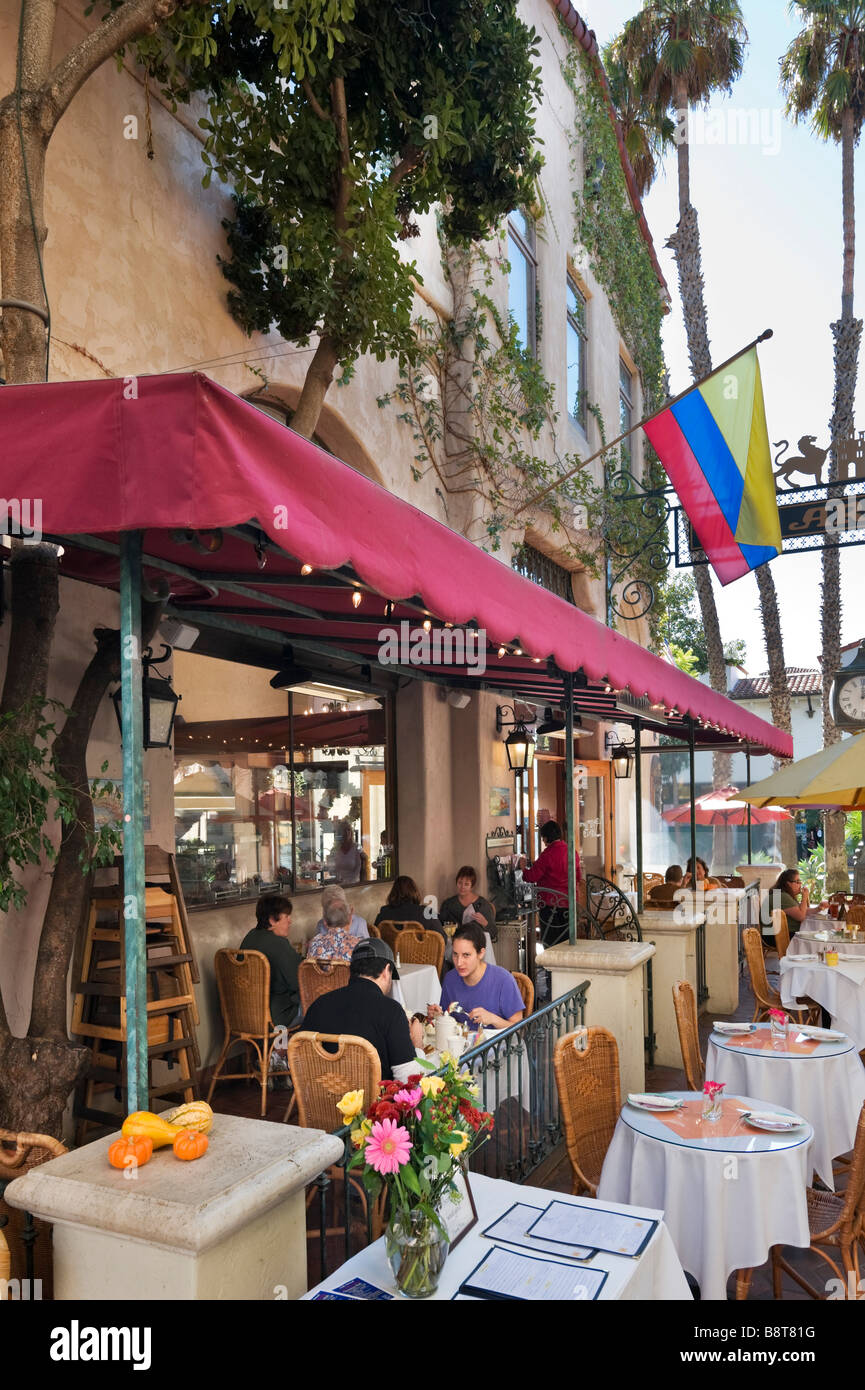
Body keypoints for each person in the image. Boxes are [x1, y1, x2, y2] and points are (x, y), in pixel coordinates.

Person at [302, 938, 418, 1082]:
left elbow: (299, 1061)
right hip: (375, 1103)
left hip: (321, 1099)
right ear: (386, 971)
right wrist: (417, 1044)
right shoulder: (391, 1011)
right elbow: (409, 1080)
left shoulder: (318, 1005)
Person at [435, 922, 524, 1029]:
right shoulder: (450, 979)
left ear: (481, 953)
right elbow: (447, 1019)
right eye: (455, 954)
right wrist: (437, 1016)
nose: (459, 963)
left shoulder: (503, 981)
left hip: (499, 1045)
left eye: (466, 955)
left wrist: (493, 1019)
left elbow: (519, 1029)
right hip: (462, 1044)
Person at [239, 894, 301, 1027]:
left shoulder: (250, 937)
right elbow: (298, 982)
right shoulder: (279, 944)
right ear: (272, 920)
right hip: (277, 1017)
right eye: (286, 916)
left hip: (245, 1016)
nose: (290, 921)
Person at [518, 820, 581, 946]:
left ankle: (551, 965)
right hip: (569, 902)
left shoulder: (547, 855)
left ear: (546, 838)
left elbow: (531, 877)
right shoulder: (571, 851)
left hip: (550, 904)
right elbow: (578, 876)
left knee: (551, 941)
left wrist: (523, 867)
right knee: (566, 941)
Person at [374, 875, 445, 941]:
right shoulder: (426, 912)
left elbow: (374, 936)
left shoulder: (384, 912)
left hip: (391, 954)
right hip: (422, 954)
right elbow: (442, 938)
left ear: (393, 892)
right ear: (414, 891)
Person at [439, 866, 497, 938]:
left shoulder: (483, 905)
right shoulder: (448, 904)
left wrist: (485, 923)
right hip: (454, 945)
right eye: (460, 883)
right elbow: (439, 928)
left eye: (466, 884)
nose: (462, 887)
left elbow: (494, 933)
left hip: (476, 945)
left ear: (472, 886)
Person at [305, 898, 358, 964]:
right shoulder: (357, 945)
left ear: (325, 922)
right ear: (349, 919)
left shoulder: (314, 943)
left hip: (320, 974)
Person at [769, 867, 810, 938]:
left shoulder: (785, 895)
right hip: (777, 937)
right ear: (788, 884)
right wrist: (804, 898)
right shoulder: (782, 896)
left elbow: (802, 910)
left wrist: (818, 908)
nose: (800, 884)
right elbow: (801, 916)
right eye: (797, 881)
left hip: (782, 933)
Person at [328, 821, 367, 885]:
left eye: (348, 830)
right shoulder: (335, 850)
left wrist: (350, 883)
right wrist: (338, 878)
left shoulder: (357, 847)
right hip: (338, 884)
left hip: (354, 885)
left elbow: (359, 867)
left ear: (351, 832)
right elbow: (331, 870)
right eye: (344, 830)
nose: (346, 832)